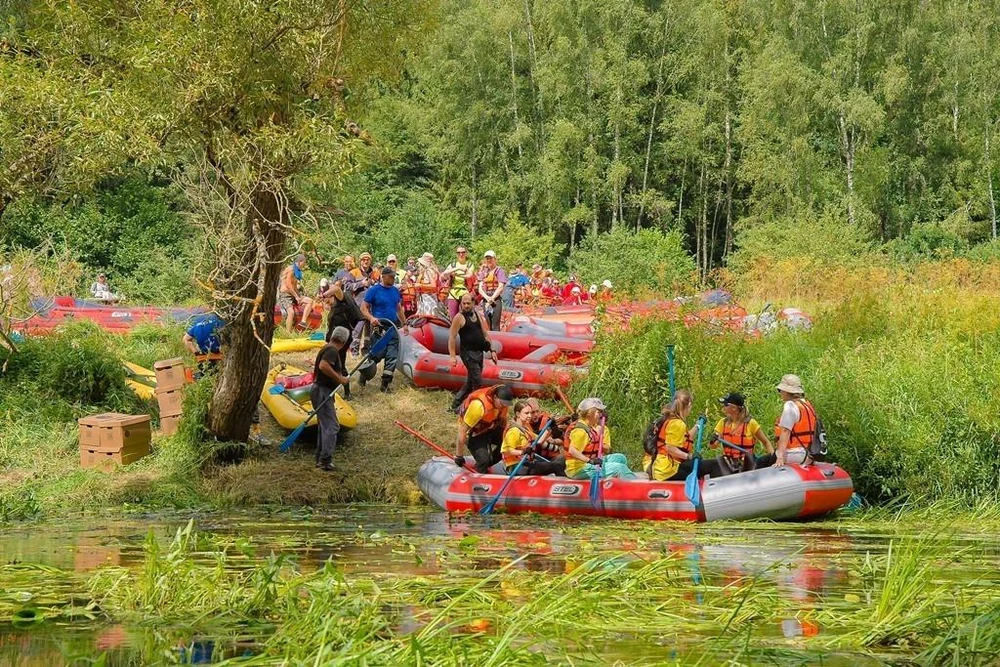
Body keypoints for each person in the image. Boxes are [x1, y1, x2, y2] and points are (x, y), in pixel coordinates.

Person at [641, 390, 709, 481]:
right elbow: (670, 448)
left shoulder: (667, 418)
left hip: (658, 466)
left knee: (698, 464)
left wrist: (698, 425)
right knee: (710, 466)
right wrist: (689, 456)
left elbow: (687, 438)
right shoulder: (677, 424)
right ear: (688, 405)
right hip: (667, 470)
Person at [311, 326, 351, 471]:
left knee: (324, 426)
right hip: (322, 391)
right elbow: (323, 366)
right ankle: (325, 460)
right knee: (332, 426)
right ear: (344, 340)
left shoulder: (327, 348)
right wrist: (340, 378)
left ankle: (320, 458)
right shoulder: (332, 350)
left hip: (320, 390)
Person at [448, 293, 497, 412]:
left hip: (479, 352)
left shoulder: (477, 315)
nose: (465, 306)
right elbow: (452, 337)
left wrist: (492, 350)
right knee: (477, 382)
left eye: (468, 303)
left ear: (473, 303)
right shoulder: (459, 318)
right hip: (468, 354)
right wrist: (452, 356)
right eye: (463, 303)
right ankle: (472, 408)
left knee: (470, 382)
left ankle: (455, 406)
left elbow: (484, 333)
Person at [564, 398, 635, 480]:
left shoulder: (589, 427)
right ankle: (637, 488)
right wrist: (590, 461)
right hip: (579, 469)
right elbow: (572, 451)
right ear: (589, 413)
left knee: (620, 458)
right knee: (619, 468)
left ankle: (618, 485)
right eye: (598, 412)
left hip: (586, 464)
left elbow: (605, 448)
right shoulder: (581, 431)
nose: (601, 415)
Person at [360, 267, 405, 392]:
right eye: (390, 276)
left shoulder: (395, 291)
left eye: (393, 276)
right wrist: (371, 318)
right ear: (383, 276)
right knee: (376, 354)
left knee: (392, 355)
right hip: (379, 326)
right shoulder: (374, 290)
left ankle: (385, 384)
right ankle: (364, 375)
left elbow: (399, 308)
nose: (392, 279)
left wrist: (404, 323)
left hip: (393, 326)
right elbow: (363, 308)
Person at [709, 392, 774, 476]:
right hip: (729, 462)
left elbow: (766, 442)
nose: (723, 407)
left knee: (751, 461)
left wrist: (772, 458)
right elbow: (712, 446)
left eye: (725, 405)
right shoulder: (722, 423)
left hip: (746, 463)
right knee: (715, 463)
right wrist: (712, 440)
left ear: (734, 408)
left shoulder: (751, 423)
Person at [455, 384, 514, 473]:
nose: (503, 406)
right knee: (483, 460)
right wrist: (459, 456)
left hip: (490, 427)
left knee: (508, 443)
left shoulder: (503, 406)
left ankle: (486, 464)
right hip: (474, 433)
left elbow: (503, 422)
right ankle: (480, 469)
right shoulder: (478, 407)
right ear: (495, 397)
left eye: (505, 404)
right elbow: (463, 430)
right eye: (501, 403)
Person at [320, 280, 363, 397]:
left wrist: (324, 294)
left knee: (339, 365)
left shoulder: (342, 300)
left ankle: (347, 392)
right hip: (334, 341)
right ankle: (339, 391)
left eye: (327, 298)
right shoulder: (334, 307)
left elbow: (337, 289)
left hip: (342, 340)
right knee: (335, 365)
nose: (325, 301)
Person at [501, 401, 566, 476]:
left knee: (558, 463)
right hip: (515, 466)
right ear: (518, 414)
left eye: (529, 413)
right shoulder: (513, 431)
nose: (529, 416)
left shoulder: (525, 429)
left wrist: (549, 428)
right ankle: (563, 485)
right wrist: (522, 452)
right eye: (526, 413)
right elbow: (506, 451)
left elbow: (539, 441)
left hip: (526, 462)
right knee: (556, 466)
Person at [774, 374, 819, 466]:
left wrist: (780, 457)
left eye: (780, 390)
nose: (780, 393)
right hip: (810, 453)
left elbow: (786, 431)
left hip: (794, 453)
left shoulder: (790, 406)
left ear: (786, 391)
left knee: (761, 462)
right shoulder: (807, 405)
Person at [350, 252, 379, 355]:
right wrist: (360, 284)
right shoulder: (354, 272)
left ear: (370, 261)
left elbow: (379, 285)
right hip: (358, 305)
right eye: (363, 260)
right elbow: (346, 286)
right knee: (358, 329)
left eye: (367, 260)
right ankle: (354, 351)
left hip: (372, 306)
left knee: (369, 330)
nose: (365, 261)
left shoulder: (375, 273)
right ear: (360, 261)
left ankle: (366, 351)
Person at [278, 254, 314, 333]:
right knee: (291, 312)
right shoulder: (291, 269)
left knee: (310, 301)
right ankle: (287, 333)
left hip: (293, 294)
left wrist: (299, 297)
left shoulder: (297, 271)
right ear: (300, 262)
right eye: (304, 263)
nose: (305, 265)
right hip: (285, 295)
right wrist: (296, 296)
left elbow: (294, 286)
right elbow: (288, 284)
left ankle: (303, 322)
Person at [183, 313, 225, 378]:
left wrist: (196, 353)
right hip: (219, 351)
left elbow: (185, 339)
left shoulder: (197, 324)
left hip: (204, 354)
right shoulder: (220, 321)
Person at [440, 246, 475, 319]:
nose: (461, 254)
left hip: (465, 292)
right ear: (456, 254)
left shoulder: (469, 265)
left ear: (466, 253)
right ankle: (454, 329)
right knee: (453, 317)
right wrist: (458, 268)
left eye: (463, 252)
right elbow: (444, 274)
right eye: (458, 253)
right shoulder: (452, 265)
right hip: (453, 292)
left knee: (466, 316)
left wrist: (457, 274)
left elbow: (469, 275)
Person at [477, 250, 507, 331]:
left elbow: (501, 286)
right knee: (488, 323)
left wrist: (492, 298)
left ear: (495, 259)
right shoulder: (483, 272)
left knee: (495, 325)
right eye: (487, 258)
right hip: (486, 298)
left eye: (490, 258)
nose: (488, 260)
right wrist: (487, 298)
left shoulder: (499, 271)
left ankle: (496, 340)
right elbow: (480, 288)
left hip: (495, 299)